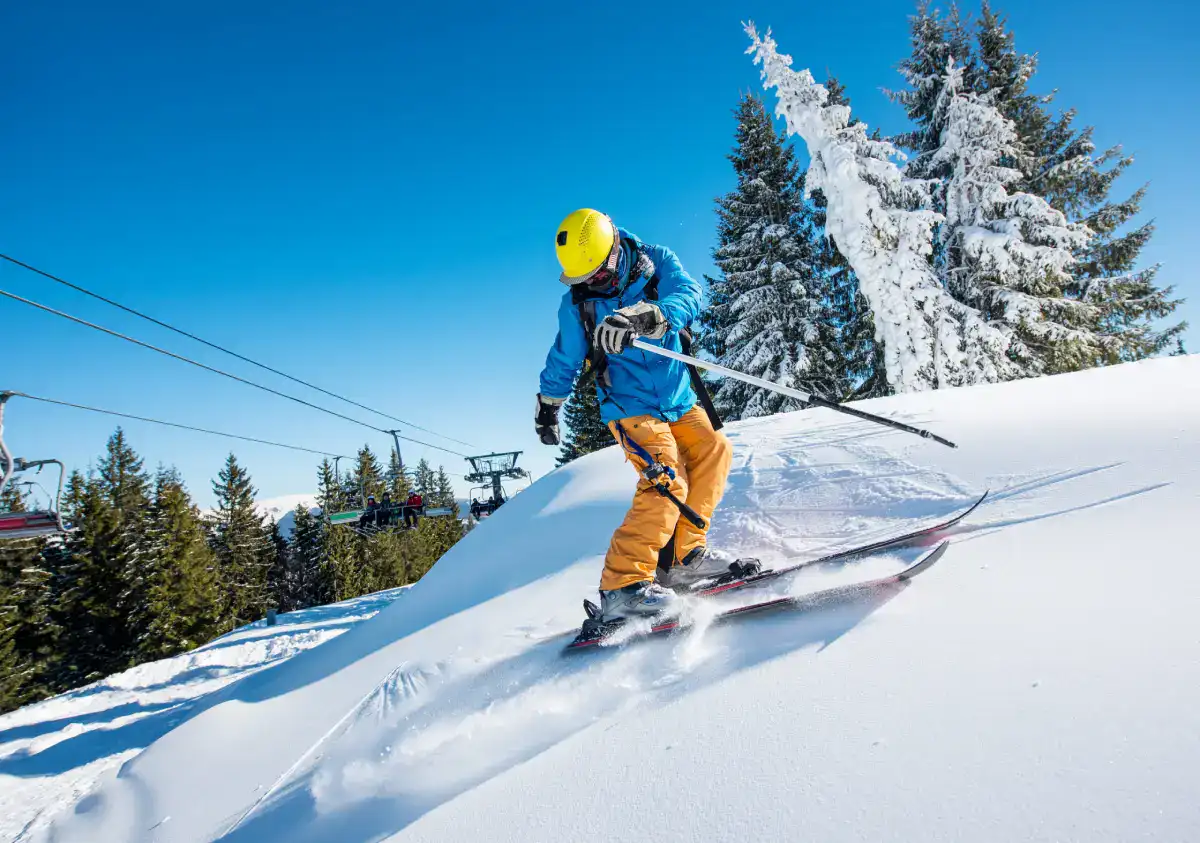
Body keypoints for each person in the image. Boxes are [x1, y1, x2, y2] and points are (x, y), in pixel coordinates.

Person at [536, 209, 734, 623]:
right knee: (665, 476)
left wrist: (652, 314)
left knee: (714, 451)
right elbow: (565, 357)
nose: (591, 284)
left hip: (678, 396)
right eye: (582, 279)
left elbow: (689, 294)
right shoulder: (578, 304)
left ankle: (685, 555)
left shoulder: (655, 261)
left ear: (613, 255)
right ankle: (622, 586)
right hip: (630, 406)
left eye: (597, 275)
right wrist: (549, 405)